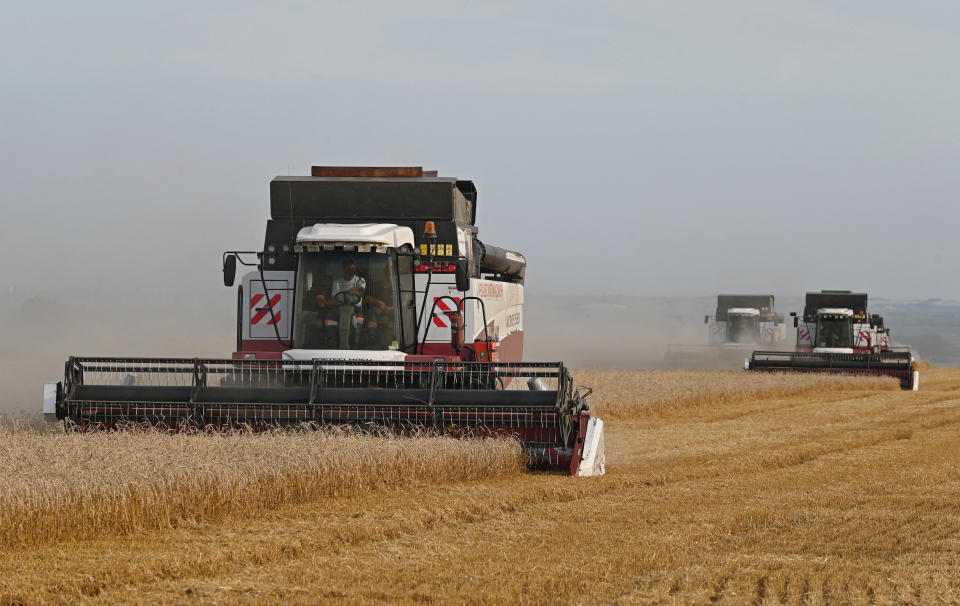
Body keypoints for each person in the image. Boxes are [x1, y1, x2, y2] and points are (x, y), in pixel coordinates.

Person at [326, 260, 366, 348]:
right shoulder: (337, 282)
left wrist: (355, 292)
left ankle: (356, 342)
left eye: (353, 269)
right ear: (344, 269)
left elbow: (361, 292)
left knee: (359, 320)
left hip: (356, 309)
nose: (351, 271)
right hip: (339, 308)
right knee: (330, 317)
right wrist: (326, 302)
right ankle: (332, 342)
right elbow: (334, 298)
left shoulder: (360, 280)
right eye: (349, 269)